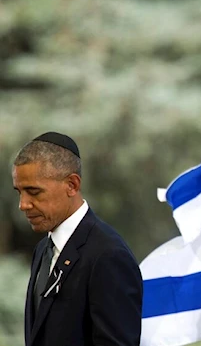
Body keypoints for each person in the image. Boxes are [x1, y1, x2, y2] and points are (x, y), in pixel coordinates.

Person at [12, 132, 143, 346]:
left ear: (72, 185)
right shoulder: (43, 248)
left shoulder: (108, 255)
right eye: (19, 192)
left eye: (33, 192)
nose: (23, 204)